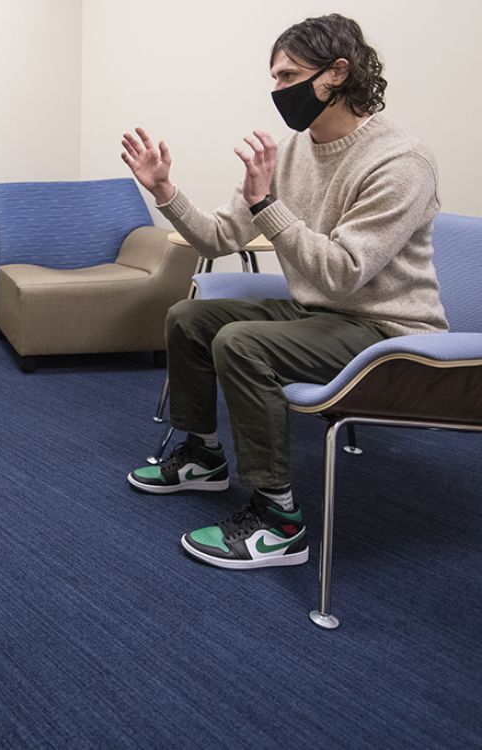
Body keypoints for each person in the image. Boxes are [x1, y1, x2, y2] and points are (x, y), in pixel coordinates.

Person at [119, 14, 446, 569]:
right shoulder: (293, 152)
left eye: (289, 75)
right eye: (273, 78)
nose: (277, 91)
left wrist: (266, 204)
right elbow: (220, 236)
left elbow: (343, 272)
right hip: (316, 312)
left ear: (337, 74)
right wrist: (166, 190)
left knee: (243, 343)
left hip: (386, 330)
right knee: (188, 316)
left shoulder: (401, 162)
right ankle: (203, 455)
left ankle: (279, 522)